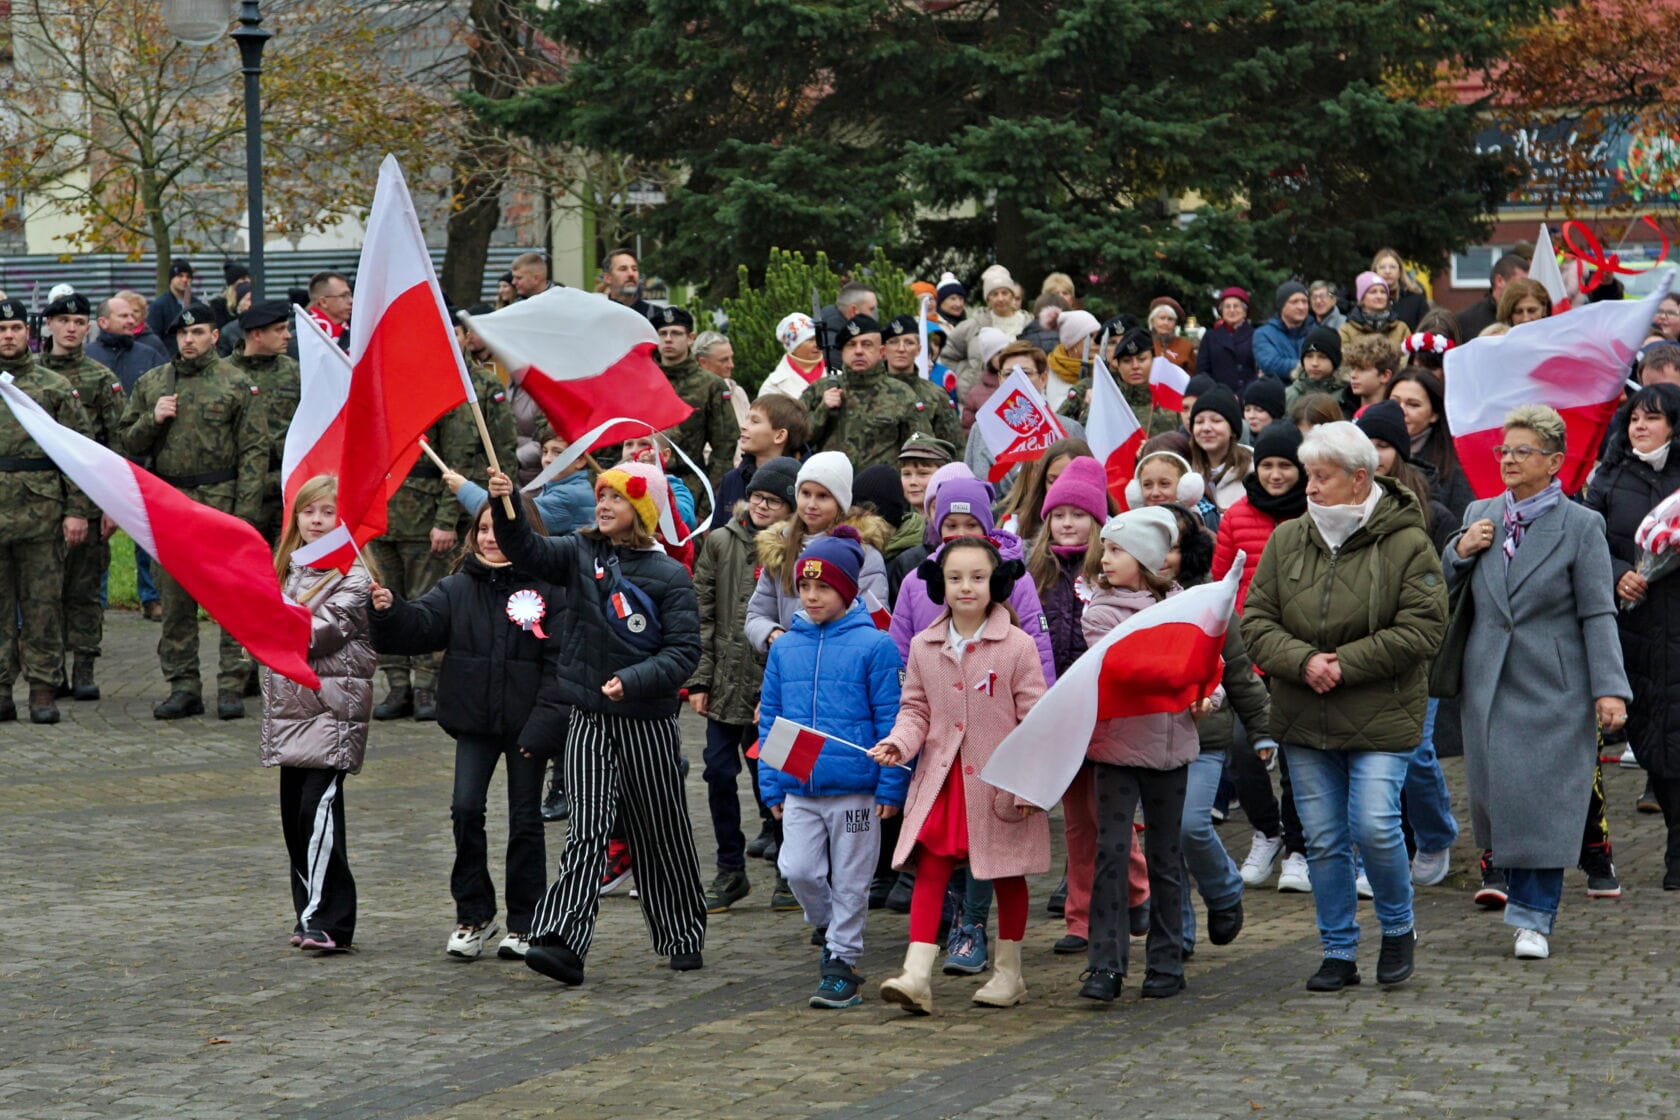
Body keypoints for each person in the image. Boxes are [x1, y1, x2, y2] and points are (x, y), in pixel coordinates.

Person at [1242, 421, 1446, 992]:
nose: (1308, 487)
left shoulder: (1408, 542)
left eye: (1321, 477)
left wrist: (1343, 664)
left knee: (1375, 825)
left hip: (1383, 712)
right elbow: (1255, 621)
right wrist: (1304, 661)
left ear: (1360, 480)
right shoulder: (1288, 540)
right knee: (1325, 836)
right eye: (1309, 475)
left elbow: (1425, 629)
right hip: (1304, 715)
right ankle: (1337, 949)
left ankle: (1399, 926)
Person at [487, 461, 707, 985]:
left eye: (618, 499)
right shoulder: (580, 552)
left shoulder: (670, 576)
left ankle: (681, 932)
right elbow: (528, 549)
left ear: (644, 512)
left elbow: (684, 653)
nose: (603, 505)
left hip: (646, 724)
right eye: (601, 495)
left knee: (661, 831)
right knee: (586, 829)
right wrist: (505, 502)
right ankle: (562, 940)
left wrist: (635, 678)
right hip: (587, 718)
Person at [1447, 405, 1629, 959]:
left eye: (1523, 451)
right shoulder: (1481, 513)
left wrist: (1609, 688)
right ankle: (1521, 900)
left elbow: (1598, 612)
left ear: (1553, 462)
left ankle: (1534, 917)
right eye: (1505, 450)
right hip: (1488, 680)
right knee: (1500, 802)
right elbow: (1445, 588)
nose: (1509, 460)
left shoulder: (1582, 526)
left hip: (1554, 685)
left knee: (1545, 802)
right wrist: (1459, 551)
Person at [370, 493, 558, 961]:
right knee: (465, 810)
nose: (491, 538)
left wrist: (548, 719)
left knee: (525, 819)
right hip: (474, 721)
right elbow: (420, 625)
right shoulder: (457, 586)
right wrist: (389, 609)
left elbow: (559, 660)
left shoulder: (549, 586)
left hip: (527, 723)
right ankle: (474, 914)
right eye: (484, 529)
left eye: (501, 529)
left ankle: (526, 919)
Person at [871, 536, 1049, 1014]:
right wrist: (899, 743)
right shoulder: (924, 647)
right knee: (930, 867)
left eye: (977, 577)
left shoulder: (1018, 645)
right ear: (939, 585)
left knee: (1005, 872)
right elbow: (915, 711)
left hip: (1000, 782)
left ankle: (1009, 973)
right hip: (942, 780)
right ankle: (917, 974)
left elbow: (1035, 718)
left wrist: (1032, 781)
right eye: (954, 578)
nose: (965, 587)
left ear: (997, 583)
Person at [757, 526, 907, 1009]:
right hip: (800, 785)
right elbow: (771, 721)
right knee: (797, 869)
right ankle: (827, 926)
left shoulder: (875, 646)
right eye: (805, 586)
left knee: (852, 879)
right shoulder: (785, 647)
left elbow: (892, 720)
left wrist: (890, 786)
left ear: (846, 590)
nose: (813, 596)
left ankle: (842, 961)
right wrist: (772, 787)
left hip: (856, 787)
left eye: (823, 587)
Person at [1075, 507, 1204, 1001]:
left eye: (1115, 550)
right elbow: (1127, 668)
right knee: (1111, 853)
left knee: (1166, 856)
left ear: (1145, 559)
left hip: (1172, 750)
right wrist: (1181, 668)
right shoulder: (1100, 612)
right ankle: (1105, 964)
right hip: (1117, 749)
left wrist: (1206, 694)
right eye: (1104, 549)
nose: (1103, 558)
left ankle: (1166, 961)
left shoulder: (1185, 607)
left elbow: (1203, 661)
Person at [118, 303, 268, 721]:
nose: (189, 340)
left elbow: (254, 452)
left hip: (221, 502)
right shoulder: (153, 383)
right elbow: (128, 443)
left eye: (198, 332)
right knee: (176, 600)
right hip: (171, 505)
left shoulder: (237, 384)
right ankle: (183, 686)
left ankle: (233, 684)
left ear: (215, 337)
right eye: (182, 334)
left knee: (230, 599)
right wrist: (154, 417)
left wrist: (245, 514)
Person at [263, 476, 374, 954]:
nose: (316, 520)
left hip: (333, 712)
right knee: (295, 820)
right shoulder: (284, 570)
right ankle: (307, 912)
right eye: (309, 511)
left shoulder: (355, 577)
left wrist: (270, 618)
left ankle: (329, 919)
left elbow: (321, 633)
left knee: (319, 813)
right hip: (291, 714)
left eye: (327, 512)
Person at [687, 457, 799, 914]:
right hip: (723, 686)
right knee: (717, 773)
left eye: (772, 501)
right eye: (757, 497)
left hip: (770, 691)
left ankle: (789, 869)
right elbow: (703, 616)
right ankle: (730, 869)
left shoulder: (793, 548)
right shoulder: (719, 542)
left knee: (770, 779)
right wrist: (698, 679)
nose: (761, 507)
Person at [1163, 506, 1269, 959]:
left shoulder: (1211, 599)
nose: (1163, 557)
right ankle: (1177, 936)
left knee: (1189, 826)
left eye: (1172, 546)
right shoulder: (1125, 598)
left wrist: (1262, 730)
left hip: (1204, 735)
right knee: (1162, 839)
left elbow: (1241, 669)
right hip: (1147, 739)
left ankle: (1224, 889)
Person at [1210, 421, 1311, 890]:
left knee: (1297, 759)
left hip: (1297, 653)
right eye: (1267, 465)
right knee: (1241, 751)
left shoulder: (1315, 514)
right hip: (1246, 656)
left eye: (1285, 466)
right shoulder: (1235, 516)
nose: (1274, 475)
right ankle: (1267, 831)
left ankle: (1299, 848)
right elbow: (1220, 587)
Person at [1587, 384, 1680, 883]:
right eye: (1634, 419)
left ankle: (1677, 854)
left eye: (1654, 418)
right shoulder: (1608, 478)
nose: (1640, 427)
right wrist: (1619, 570)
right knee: (1652, 740)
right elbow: (1590, 540)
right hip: (1635, 629)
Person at [0, 298, 96, 724]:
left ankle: (42, 689)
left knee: (43, 606)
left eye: (16, 327)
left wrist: (77, 510)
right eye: (1, 329)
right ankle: (2, 689)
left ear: (29, 332)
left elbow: (78, 455)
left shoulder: (52, 387)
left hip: (41, 513)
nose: (8, 335)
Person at [365, 401, 477, 723]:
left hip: (425, 523)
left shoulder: (437, 395)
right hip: (381, 518)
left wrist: (446, 519)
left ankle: (426, 685)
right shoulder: (377, 390)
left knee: (426, 604)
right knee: (382, 605)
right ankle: (397, 685)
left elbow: (456, 463)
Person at [39, 294, 122, 703]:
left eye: (79, 321)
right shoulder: (26, 377)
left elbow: (116, 444)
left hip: (88, 501)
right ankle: (48, 670)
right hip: (36, 502)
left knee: (84, 590)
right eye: (63, 320)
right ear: (48, 325)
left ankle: (84, 664)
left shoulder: (100, 378)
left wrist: (111, 503)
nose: (71, 328)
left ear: (89, 326)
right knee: (42, 592)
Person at [746, 452, 891, 652]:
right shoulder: (780, 547)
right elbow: (757, 614)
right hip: (792, 664)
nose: (812, 504)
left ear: (841, 502)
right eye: (806, 493)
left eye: (823, 496)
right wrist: (772, 633)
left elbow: (875, 622)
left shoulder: (862, 553)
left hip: (841, 667)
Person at [801, 316, 932, 473]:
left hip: (880, 490)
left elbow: (920, 444)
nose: (858, 351)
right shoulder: (819, 390)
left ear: (881, 351)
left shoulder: (902, 394)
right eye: (851, 345)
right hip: (828, 489)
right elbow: (797, 441)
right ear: (842, 352)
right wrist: (822, 411)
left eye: (866, 345)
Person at [963, 341, 1088, 493]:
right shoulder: (981, 429)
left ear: (1043, 379)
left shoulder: (1069, 429)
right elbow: (969, 486)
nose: (1016, 380)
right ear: (1000, 379)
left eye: (1025, 373)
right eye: (1009, 374)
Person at [225, 300, 301, 543]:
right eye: (279, 330)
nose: (288, 336)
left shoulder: (295, 372)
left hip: (286, 486)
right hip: (240, 489)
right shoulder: (223, 375)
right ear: (257, 334)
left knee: (287, 564)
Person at [649, 305, 738, 497]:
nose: (668, 339)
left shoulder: (710, 385)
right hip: (642, 481)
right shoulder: (643, 380)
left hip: (689, 487)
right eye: (662, 333)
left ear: (690, 338)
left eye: (676, 333)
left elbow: (724, 448)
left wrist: (707, 505)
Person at [1385, 369, 1475, 521]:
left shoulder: (1453, 471)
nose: (1401, 411)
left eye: (1413, 405)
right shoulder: (1367, 455)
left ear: (1434, 414)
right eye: (1394, 402)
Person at [710, 393, 810, 530]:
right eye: (746, 419)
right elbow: (717, 536)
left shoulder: (806, 487)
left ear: (780, 435)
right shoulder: (732, 480)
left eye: (755, 421)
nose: (743, 426)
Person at [945, 266, 1032, 405]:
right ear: (987, 299)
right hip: (981, 401)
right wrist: (964, 377)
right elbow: (948, 355)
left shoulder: (1029, 324)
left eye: (1005, 293)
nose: (1000, 298)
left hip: (1023, 398)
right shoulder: (972, 326)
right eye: (994, 294)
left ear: (1012, 295)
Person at [881, 315, 964, 450]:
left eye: (909, 342)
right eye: (894, 342)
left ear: (919, 349)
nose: (901, 349)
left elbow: (955, 446)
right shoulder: (871, 391)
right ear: (883, 350)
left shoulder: (936, 396)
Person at [86, 294, 169, 393]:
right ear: (103, 322)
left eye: (132, 316)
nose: (132, 321)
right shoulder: (87, 355)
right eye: (124, 316)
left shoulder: (149, 355)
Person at [1185, 387, 1252, 512]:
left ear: (1232, 429)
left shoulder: (1254, 469)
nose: (1206, 428)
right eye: (1199, 422)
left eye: (1216, 421)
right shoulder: (1185, 470)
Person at [693, 330, 751, 452]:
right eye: (724, 360)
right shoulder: (689, 396)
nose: (731, 365)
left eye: (731, 358)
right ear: (703, 362)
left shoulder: (738, 392)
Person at [1196, 287, 1256, 395]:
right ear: (1221, 311)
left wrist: (1243, 395)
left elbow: (1259, 372)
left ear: (1245, 312)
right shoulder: (1210, 337)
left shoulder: (1255, 335)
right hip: (1218, 397)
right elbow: (1203, 372)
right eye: (1227, 307)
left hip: (1249, 398)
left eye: (1236, 306)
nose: (1232, 310)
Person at [1456, 253, 1529, 340]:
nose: (1526, 289)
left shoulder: (1528, 317)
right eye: (1521, 283)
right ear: (1499, 281)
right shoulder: (1465, 322)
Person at [759, 312, 828, 400]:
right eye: (811, 340)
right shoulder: (772, 388)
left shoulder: (837, 374)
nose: (818, 344)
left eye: (818, 338)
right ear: (794, 348)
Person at [1253, 281, 1313, 381]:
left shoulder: (1316, 331)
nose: (1301, 307)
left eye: (1304, 301)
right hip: (1279, 392)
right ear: (1282, 306)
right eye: (1294, 302)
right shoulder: (1264, 334)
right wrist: (1310, 366)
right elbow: (1271, 365)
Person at [1339, 271, 1410, 352]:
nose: (1379, 296)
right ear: (1362, 298)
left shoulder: (1401, 328)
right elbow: (1346, 359)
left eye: (1383, 292)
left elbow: (1406, 358)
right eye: (1373, 292)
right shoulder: (1346, 329)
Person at [1285, 327, 1344, 411]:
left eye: (1322, 357)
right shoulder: (1290, 395)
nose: (1314, 363)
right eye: (1309, 356)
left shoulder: (1346, 396)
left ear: (1335, 361)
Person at [1371, 248, 1430, 330]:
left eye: (1392, 267)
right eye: (1382, 267)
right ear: (1375, 272)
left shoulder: (1416, 300)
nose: (1387, 271)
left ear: (1399, 272)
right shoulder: (1367, 300)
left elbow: (1427, 330)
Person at [146, 259, 194, 356]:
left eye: (188, 276)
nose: (185, 280)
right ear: (171, 279)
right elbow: (154, 338)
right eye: (180, 276)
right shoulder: (159, 306)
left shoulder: (196, 304)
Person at [1343, 336, 1399, 416]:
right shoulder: (1339, 409)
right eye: (1352, 368)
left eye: (1362, 369)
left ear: (1385, 376)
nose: (1353, 375)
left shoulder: (1397, 415)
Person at [306, 271, 353, 346]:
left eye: (350, 295)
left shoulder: (354, 334)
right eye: (343, 296)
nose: (351, 301)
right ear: (323, 302)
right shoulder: (303, 337)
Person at [1148, 298, 1195, 372]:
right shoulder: (1145, 343)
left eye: (1170, 319)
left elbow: (1193, 375)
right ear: (1152, 322)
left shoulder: (1186, 346)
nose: (1166, 323)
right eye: (1162, 318)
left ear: (1175, 324)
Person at [599, 248, 651, 316]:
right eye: (623, 269)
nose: (631, 274)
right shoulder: (598, 314)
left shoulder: (656, 316)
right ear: (608, 278)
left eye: (634, 269)